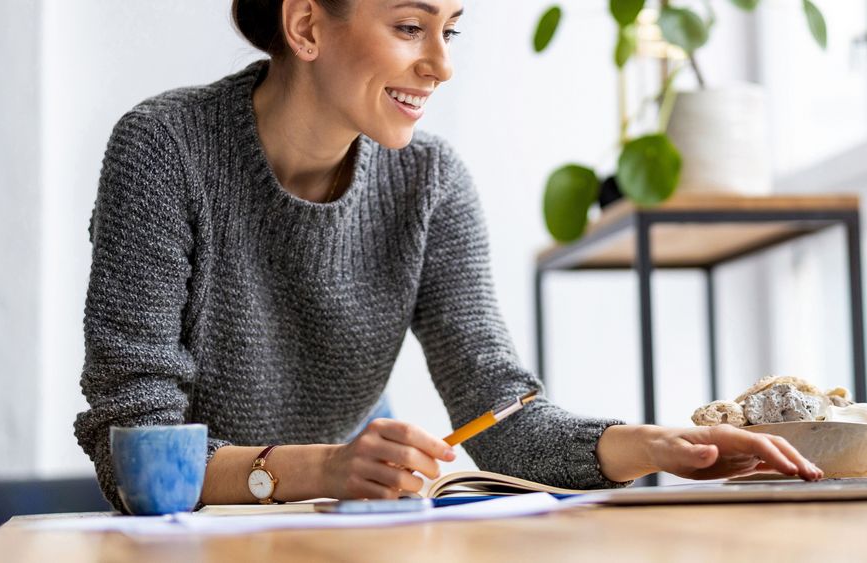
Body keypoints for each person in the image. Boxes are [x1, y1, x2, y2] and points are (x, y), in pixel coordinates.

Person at [74, 0, 822, 509]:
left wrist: (653, 444)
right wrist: (325, 467)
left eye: (451, 30)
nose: (441, 64)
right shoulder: (164, 149)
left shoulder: (430, 183)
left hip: (333, 532)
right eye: (410, 26)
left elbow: (502, 414)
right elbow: (135, 454)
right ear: (306, 24)